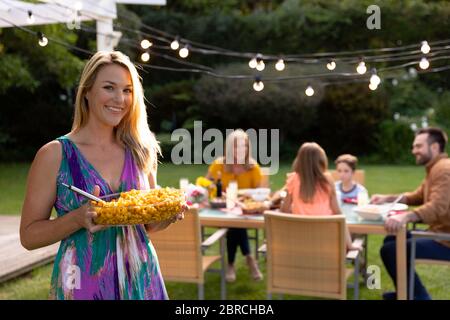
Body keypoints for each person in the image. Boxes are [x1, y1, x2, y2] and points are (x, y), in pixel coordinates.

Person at [20, 51, 185, 300]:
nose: (120, 99)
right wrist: (77, 219)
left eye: (128, 90)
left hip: (140, 277)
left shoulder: (141, 149)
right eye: (109, 87)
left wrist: (167, 215)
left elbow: (148, 226)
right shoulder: (55, 154)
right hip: (82, 282)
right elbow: (28, 236)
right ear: (87, 92)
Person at [371, 127, 450, 300]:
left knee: (391, 250)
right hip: (439, 234)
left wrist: (405, 216)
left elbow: (438, 206)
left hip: (445, 240)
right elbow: (418, 196)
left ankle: (417, 296)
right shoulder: (435, 168)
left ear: (435, 147)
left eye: (418, 146)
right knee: (391, 239)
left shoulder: (444, 170)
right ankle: (407, 292)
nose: (414, 151)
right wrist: (387, 198)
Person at [206, 129, 263, 282]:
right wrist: (216, 191)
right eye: (236, 147)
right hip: (221, 209)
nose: (240, 150)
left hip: (245, 211)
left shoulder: (253, 167)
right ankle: (249, 258)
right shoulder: (219, 164)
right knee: (234, 223)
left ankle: (231, 264)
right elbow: (207, 185)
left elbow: (260, 193)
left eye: (244, 146)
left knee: (236, 224)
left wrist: (248, 196)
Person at [280, 142, 361, 251]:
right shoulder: (327, 180)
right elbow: (338, 214)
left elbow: (284, 211)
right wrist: (350, 245)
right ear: (321, 161)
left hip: (300, 244)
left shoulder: (293, 179)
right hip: (326, 245)